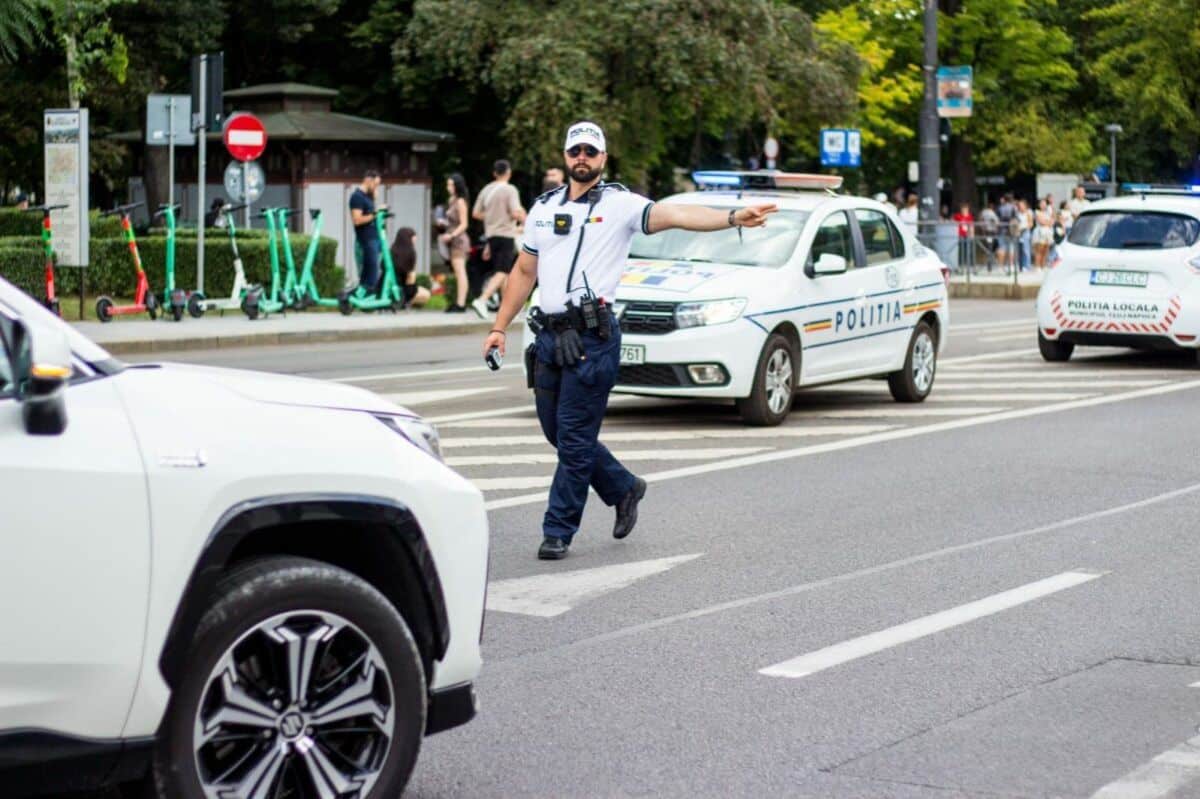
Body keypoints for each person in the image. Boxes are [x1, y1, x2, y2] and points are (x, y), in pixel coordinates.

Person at [481, 120, 776, 561]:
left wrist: (732, 218)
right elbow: (525, 271)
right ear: (565, 156)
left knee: (575, 438)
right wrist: (499, 327)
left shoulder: (620, 205)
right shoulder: (543, 207)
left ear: (603, 158)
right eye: (575, 151)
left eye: (590, 151)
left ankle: (558, 530)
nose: (582, 158)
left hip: (592, 338)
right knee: (555, 430)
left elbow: (677, 216)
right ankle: (623, 487)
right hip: (550, 337)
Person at [470, 159, 526, 319]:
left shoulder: (486, 190)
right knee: (502, 271)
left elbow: (476, 213)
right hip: (506, 234)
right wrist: (525, 219)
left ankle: (507, 309)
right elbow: (515, 212)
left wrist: (492, 217)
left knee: (503, 273)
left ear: (495, 173)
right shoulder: (510, 189)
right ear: (508, 172)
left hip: (491, 235)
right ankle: (482, 299)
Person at [439, 173, 470, 312]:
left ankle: (461, 303)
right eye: (448, 185)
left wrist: (452, 235)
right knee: (457, 272)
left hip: (459, 240)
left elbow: (464, 224)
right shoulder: (452, 200)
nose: (448, 187)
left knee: (460, 271)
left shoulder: (460, 202)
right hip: (452, 238)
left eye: (451, 185)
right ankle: (458, 302)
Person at [349, 170, 384, 293]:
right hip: (366, 239)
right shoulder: (357, 197)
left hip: (375, 238)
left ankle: (367, 294)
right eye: (375, 184)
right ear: (368, 180)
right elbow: (357, 220)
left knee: (374, 270)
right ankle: (366, 294)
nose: (376, 188)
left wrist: (374, 198)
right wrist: (375, 213)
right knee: (371, 272)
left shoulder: (368, 197)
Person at [389, 226, 432, 308]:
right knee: (426, 294)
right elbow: (410, 278)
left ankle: (402, 301)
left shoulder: (392, 250)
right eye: (414, 238)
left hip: (388, 287)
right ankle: (403, 302)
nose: (415, 241)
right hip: (403, 289)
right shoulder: (410, 253)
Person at [977, 201, 999, 270]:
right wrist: (996, 228)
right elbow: (996, 222)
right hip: (991, 232)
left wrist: (982, 228)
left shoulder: (983, 212)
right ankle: (990, 264)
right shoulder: (992, 213)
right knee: (991, 247)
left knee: (987, 247)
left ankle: (989, 263)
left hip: (986, 231)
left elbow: (980, 219)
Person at [952, 202, 974, 270]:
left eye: (966, 209)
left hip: (967, 235)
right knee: (960, 250)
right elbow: (952, 222)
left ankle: (968, 264)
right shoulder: (957, 216)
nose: (964, 211)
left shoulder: (970, 216)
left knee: (968, 249)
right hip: (959, 235)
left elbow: (971, 225)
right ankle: (960, 263)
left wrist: (972, 234)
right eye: (963, 209)